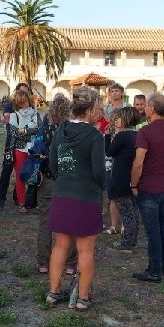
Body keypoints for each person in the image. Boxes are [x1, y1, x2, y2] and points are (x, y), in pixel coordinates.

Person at [45, 86, 105, 311]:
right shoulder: (94, 136)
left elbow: (52, 162)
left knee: (60, 246)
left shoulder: (61, 130)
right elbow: (99, 171)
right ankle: (82, 297)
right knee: (85, 250)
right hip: (86, 196)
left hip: (62, 193)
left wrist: (63, 178)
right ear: (90, 109)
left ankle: (53, 291)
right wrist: (102, 186)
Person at [130, 93, 164, 283]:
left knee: (153, 231)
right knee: (163, 228)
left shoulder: (145, 132)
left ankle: (154, 271)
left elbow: (138, 163)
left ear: (151, 109)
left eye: (146, 106)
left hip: (149, 188)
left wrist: (134, 183)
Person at [34, 93, 78, 275]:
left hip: (49, 179)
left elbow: (36, 152)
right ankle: (70, 263)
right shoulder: (74, 131)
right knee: (70, 222)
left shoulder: (45, 131)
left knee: (45, 221)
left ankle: (43, 262)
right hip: (70, 181)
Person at [104, 106, 141, 253]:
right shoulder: (137, 134)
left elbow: (109, 151)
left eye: (118, 118)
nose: (115, 120)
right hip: (133, 178)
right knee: (133, 210)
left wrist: (107, 136)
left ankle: (127, 243)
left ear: (125, 119)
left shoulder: (122, 136)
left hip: (121, 178)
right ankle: (132, 240)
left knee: (126, 212)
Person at [0, 82, 32, 208]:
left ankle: (18, 197)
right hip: (11, 143)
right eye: (22, 92)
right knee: (6, 169)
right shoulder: (9, 106)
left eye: (26, 92)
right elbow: (6, 121)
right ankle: (1, 198)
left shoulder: (29, 107)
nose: (24, 95)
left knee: (22, 171)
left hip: (24, 144)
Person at [7, 89, 42, 213]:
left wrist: (23, 130)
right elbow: (14, 133)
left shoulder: (36, 114)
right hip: (19, 149)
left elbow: (39, 130)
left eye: (26, 101)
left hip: (34, 149)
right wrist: (29, 130)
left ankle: (34, 201)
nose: (25, 104)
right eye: (21, 102)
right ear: (17, 103)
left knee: (35, 175)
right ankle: (21, 202)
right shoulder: (13, 116)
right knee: (20, 176)